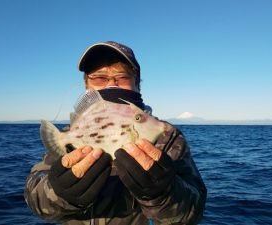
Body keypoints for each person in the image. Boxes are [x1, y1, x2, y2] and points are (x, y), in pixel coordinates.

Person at [24, 41, 207, 225]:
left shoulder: (168, 136)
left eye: (122, 77)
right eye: (99, 78)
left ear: (137, 84)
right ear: (87, 86)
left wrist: (163, 194)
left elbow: (194, 211)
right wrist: (59, 193)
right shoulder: (70, 138)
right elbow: (34, 198)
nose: (112, 84)